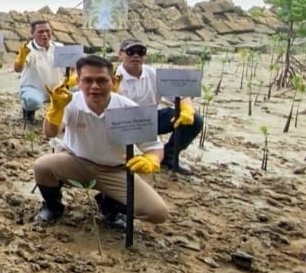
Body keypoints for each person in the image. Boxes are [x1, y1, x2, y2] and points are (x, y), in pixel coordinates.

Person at [34, 55, 169, 230]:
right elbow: (50, 132)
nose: (94, 87)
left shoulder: (129, 108)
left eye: (102, 81)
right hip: (76, 162)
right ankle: (53, 206)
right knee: (43, 166)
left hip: (115, 170)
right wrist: (55, 110)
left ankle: (109, 204)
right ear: (79, 82)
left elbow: (154, 146)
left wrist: (152, 160)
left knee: (157, 212)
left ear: (113, 81)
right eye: (88, 80)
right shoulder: (70, 102)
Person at [114, 39, 203, 174]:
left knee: (195, 120)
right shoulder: (112, 76)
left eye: (140, 52)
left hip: (150, 119)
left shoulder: (154, 73)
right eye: (130, 52)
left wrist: (186, 107)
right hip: (122, 123)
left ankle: (169, 157)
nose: (136, 56)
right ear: (120, 54)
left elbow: (181, 94)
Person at [14, 20, 65, 125]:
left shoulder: (59, 47)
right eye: (40, 32)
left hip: (57, 89)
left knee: (80, 90)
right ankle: (28, 112)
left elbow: (73, 67)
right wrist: (21, 58)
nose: (45, 35)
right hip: (35, 89)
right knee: (32, 101)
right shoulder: (28, 49)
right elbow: (17, 69)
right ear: (33, 33)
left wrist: (73, 78)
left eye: (47, 31)